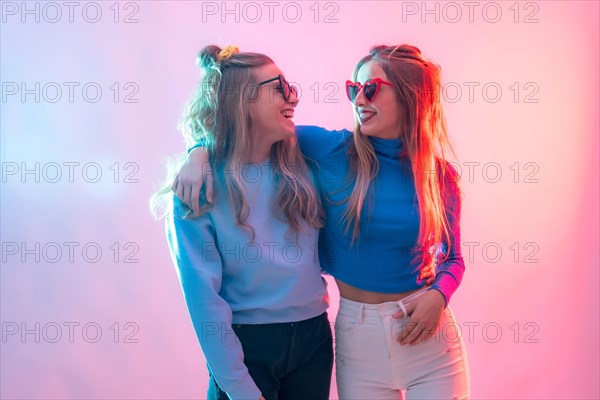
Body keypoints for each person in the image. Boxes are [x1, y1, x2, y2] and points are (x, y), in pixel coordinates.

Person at [173, 44, 470, 399]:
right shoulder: (327, 151)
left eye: (370, 88)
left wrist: (440, 293)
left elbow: (453, 257)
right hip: (356, 339)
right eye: (353, 89)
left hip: (428, 337)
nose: (359, 100)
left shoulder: (439, 176)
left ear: (411, 96)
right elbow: (239, 127)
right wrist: (198, 151)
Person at [151, 45, 333, 400]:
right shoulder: (197, 188)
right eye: (279, 86)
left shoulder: (306, 158)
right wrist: (238, 386)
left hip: (314, 338)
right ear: (243, 99)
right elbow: (203, 301)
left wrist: (198, 147)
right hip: (244, 346)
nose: (292, 96)